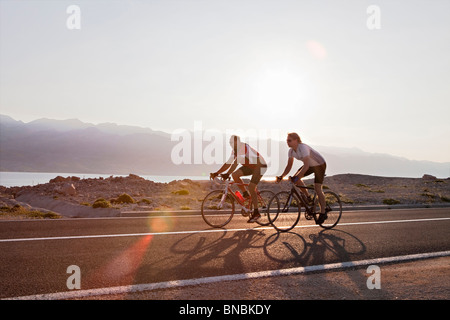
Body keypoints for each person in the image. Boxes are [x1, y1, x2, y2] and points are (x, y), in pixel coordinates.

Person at [211, 135, 267, 223]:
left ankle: (256, 213)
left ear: (237, 142)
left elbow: (236, 163)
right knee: (235, 175)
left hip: (260, 166)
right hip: (250, 167)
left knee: (251, 187)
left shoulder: (243, 147)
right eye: (229, 142)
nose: (230, 144)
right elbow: (228, 163)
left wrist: (227, 174)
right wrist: (217, 173)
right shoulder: (235, 151)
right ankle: (245, 194)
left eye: (231, 142)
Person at [276, 132, 328, 224]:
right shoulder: (291, 151)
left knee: (317, 188)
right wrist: (282, 176)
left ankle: (323, 212)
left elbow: (306, 165)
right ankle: (308, 198)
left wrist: (297, 177)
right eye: (287, 141)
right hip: (310, 166)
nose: (287, 142)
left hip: (320, 165)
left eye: (289, 140)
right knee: (295, 179)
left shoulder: (303, 148)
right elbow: (289, 166)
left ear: (296, 140)